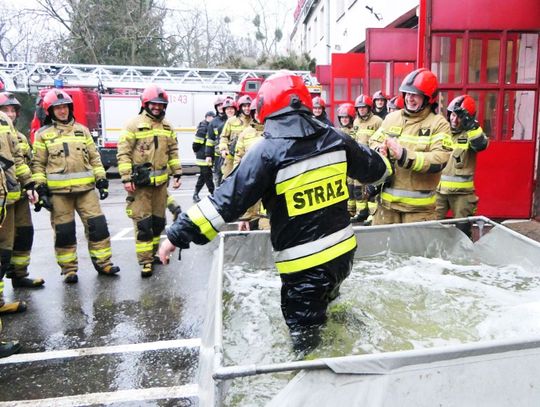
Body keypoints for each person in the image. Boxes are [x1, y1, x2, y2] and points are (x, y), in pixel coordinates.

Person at [158, 71, 392, 353]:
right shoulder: (336, 138)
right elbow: (378, 170)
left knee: (306, 345)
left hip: (303, 268)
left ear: (266, 108)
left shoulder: (267, 152)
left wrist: (176, 235)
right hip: (342, 256)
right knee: (331, 308)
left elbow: (225, 202)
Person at [32, 89, 120, 284]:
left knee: (98, 228)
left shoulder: (82, 131)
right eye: (57, 108)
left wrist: (102, 180)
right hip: (59, 194)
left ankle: (103, 263)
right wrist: (41, 188)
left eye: (64, 107)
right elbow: (37, 164)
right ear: (50, 111)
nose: (62, 111)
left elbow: (95, 158)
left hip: (86, 191)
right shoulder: (42, 135)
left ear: (70, 108)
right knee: (64, 232)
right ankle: (69, 269)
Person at [369, 68, 453, 225]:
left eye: (415, 95)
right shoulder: (391, 118)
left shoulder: (438, 124)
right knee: (383, 250)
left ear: (429, 98)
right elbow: (373, 141)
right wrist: (378, 149)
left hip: (418, 213)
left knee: (414, 251)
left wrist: (404, 155)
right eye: (407, 94)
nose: (409, 98)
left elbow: (439, 159)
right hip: (386, 209)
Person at [116, 84, 182, 278]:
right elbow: (124, 153)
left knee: (158, 223)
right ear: (145, 103)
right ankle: (145, 261)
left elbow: (173, 152)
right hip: (140, 186)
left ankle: (153, 254)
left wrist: (177, 172)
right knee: (144, 225)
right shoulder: (133, 125)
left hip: (161, 185)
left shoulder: (168, 127)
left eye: (161, 105)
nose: (157, 107)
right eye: (153, 104)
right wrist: (126, 178)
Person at [0, 92, 44, 290]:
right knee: (4, 245)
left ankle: (19, 276)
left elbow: (24, 162)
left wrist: (32, 186)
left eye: (13, 111)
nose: (10, 114)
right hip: (4, 199)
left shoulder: (21, 138)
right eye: (5, 110)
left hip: (20, 198)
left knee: (25, 235)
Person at [436, 95, 489, 237]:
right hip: (438, 191)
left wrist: (472, 126)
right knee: (430, 227)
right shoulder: (443, 132)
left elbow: (481, 145)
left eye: (459, 116)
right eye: (453, 115)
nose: (454, 119)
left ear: (467, 118)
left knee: (463, 232)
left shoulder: (472, 133)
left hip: (462, 195)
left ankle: (463, 257)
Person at [233, 98, 268, 231]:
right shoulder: (245, 134)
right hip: (250, 187)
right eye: (255, 112)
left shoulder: (274, 132)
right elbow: (238, 160)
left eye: (261, 112)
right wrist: (244, 216)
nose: (258, 115)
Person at [352, 94, 382, 223]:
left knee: (371, 187)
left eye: (364, 107)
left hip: (372, 159)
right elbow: (354, 138)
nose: (362, 110)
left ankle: (372, 215)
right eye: (359, 108)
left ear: (369, 108)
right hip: (359, 159)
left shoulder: (377, 121)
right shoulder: (356, 121)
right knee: (359, 187)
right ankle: (362, 212)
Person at [218, 95, 252, 180]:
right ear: (240, 107)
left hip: (249, 157)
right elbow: (224, 136)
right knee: (227, 181)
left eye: (249, 106)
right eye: (244, 106)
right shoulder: (231, 121)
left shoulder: (255, 121)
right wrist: (223, 149)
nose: (247, 108)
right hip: (231, 157)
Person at [192, 111, 216, 203]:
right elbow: (196, 143)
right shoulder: (203, 128)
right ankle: (213, 194)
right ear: (208, 117)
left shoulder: (207, 126)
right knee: (208, 176)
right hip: (202, 157)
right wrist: (197, 152)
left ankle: (195, 194)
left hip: (206, 156)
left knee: (203, 176)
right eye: (213, 117)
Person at [205, 96, 228, 185]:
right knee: (218, 177)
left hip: (230, 154)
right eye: (218, 105)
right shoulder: (213, 122)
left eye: (222, 105)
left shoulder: (231, 119)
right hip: (218, 156)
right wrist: (208, 155)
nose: (220, 107)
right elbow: (210, 140)